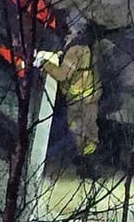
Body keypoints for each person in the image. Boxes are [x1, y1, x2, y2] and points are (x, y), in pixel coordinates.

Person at [42, 22, 101, 161]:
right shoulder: (89, 45)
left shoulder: (75, 50)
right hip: (90, 92)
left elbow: (62, 74)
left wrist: (45, 64)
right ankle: (88, 156)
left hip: (77, 96)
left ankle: (82, 157)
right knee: (89, 126)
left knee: (75, 126)